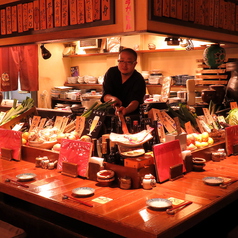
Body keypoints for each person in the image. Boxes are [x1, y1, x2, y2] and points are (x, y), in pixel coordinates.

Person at [101, 48, 146, 116]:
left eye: (128, 62)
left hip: (130, 115)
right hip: (109, 114)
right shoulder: (111, 72)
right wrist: (113, 99)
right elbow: (105, 95)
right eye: (121, 61)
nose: (124, 65)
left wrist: (126, 110)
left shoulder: (139, 79)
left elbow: (136, 101)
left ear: (135, 64)